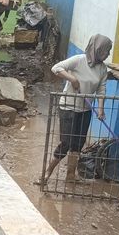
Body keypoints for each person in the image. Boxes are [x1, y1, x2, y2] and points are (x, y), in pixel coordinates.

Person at [43, 34, 113, 182]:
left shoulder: (102, 69)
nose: (108, 54)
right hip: (68, 107)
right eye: (107, 51)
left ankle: (70, 175)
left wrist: (100, 109)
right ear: (99, 49)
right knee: (66, 142)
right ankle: (47, 172)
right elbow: (56, 68)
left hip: (85, 109)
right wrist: (72, 79)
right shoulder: (79, 60)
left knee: (78, 144)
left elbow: (101, 89)